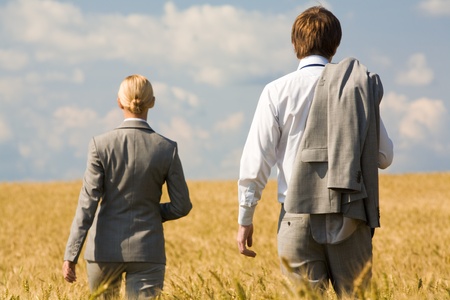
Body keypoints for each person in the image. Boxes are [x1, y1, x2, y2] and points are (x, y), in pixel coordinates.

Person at [236, 6, 393, 296]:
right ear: (335, 44)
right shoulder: (356, 88)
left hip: (296, 217)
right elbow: (384, 157)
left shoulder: (276, 90)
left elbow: (255, 163)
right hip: (349, 214)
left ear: (295, 44)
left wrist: (245, 218)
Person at [62, 74, 192, 299]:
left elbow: (87, 205)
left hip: (103, 251)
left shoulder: (99, 145)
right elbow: (182, 206)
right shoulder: (167, 148)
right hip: (148, 251)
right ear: (152, 102)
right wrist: (153, 212)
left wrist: (71, 255)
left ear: (119, 102)